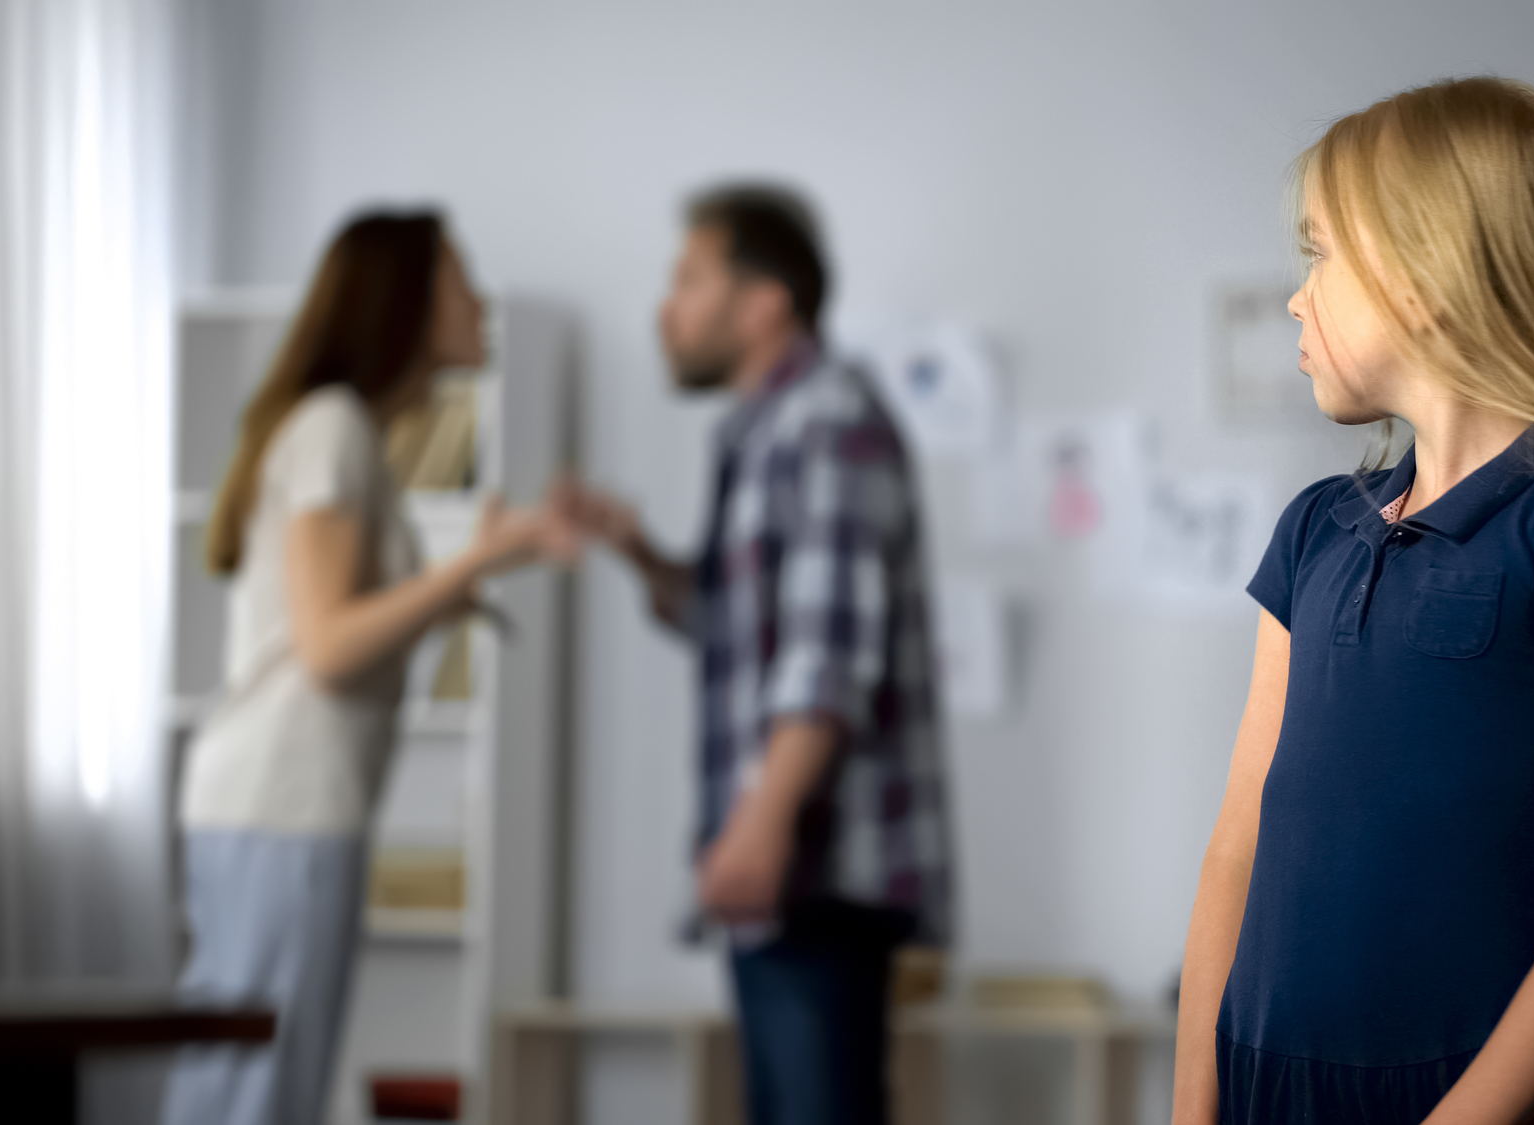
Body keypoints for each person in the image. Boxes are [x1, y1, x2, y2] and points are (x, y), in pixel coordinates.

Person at [1171, 78, 1534, 1125]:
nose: (1296, 297)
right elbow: (1236, 847)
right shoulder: (1313, 532)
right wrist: (1192, 1111)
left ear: (1425, 277)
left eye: (1318, 255)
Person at [163, 211, 574, 1125]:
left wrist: (452, 585)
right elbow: (328, 647)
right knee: (257, 1089)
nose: (481, 304)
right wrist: (469, 565)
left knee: (250, 1080)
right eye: (460, 282)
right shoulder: (334, 428)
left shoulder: (338, 430)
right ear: (407, 300)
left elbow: (335, 625)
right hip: (284, 805)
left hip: (272, 805)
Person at [566, 184, 951, 1125]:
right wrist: (638, 553)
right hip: (788, 865)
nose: (667, 307)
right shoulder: (765, 430)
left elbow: (828, 652)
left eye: (690, 280)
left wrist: (761, 821)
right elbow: (732, 623)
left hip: (821, 863)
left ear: (764, 301)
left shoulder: (827, 419)